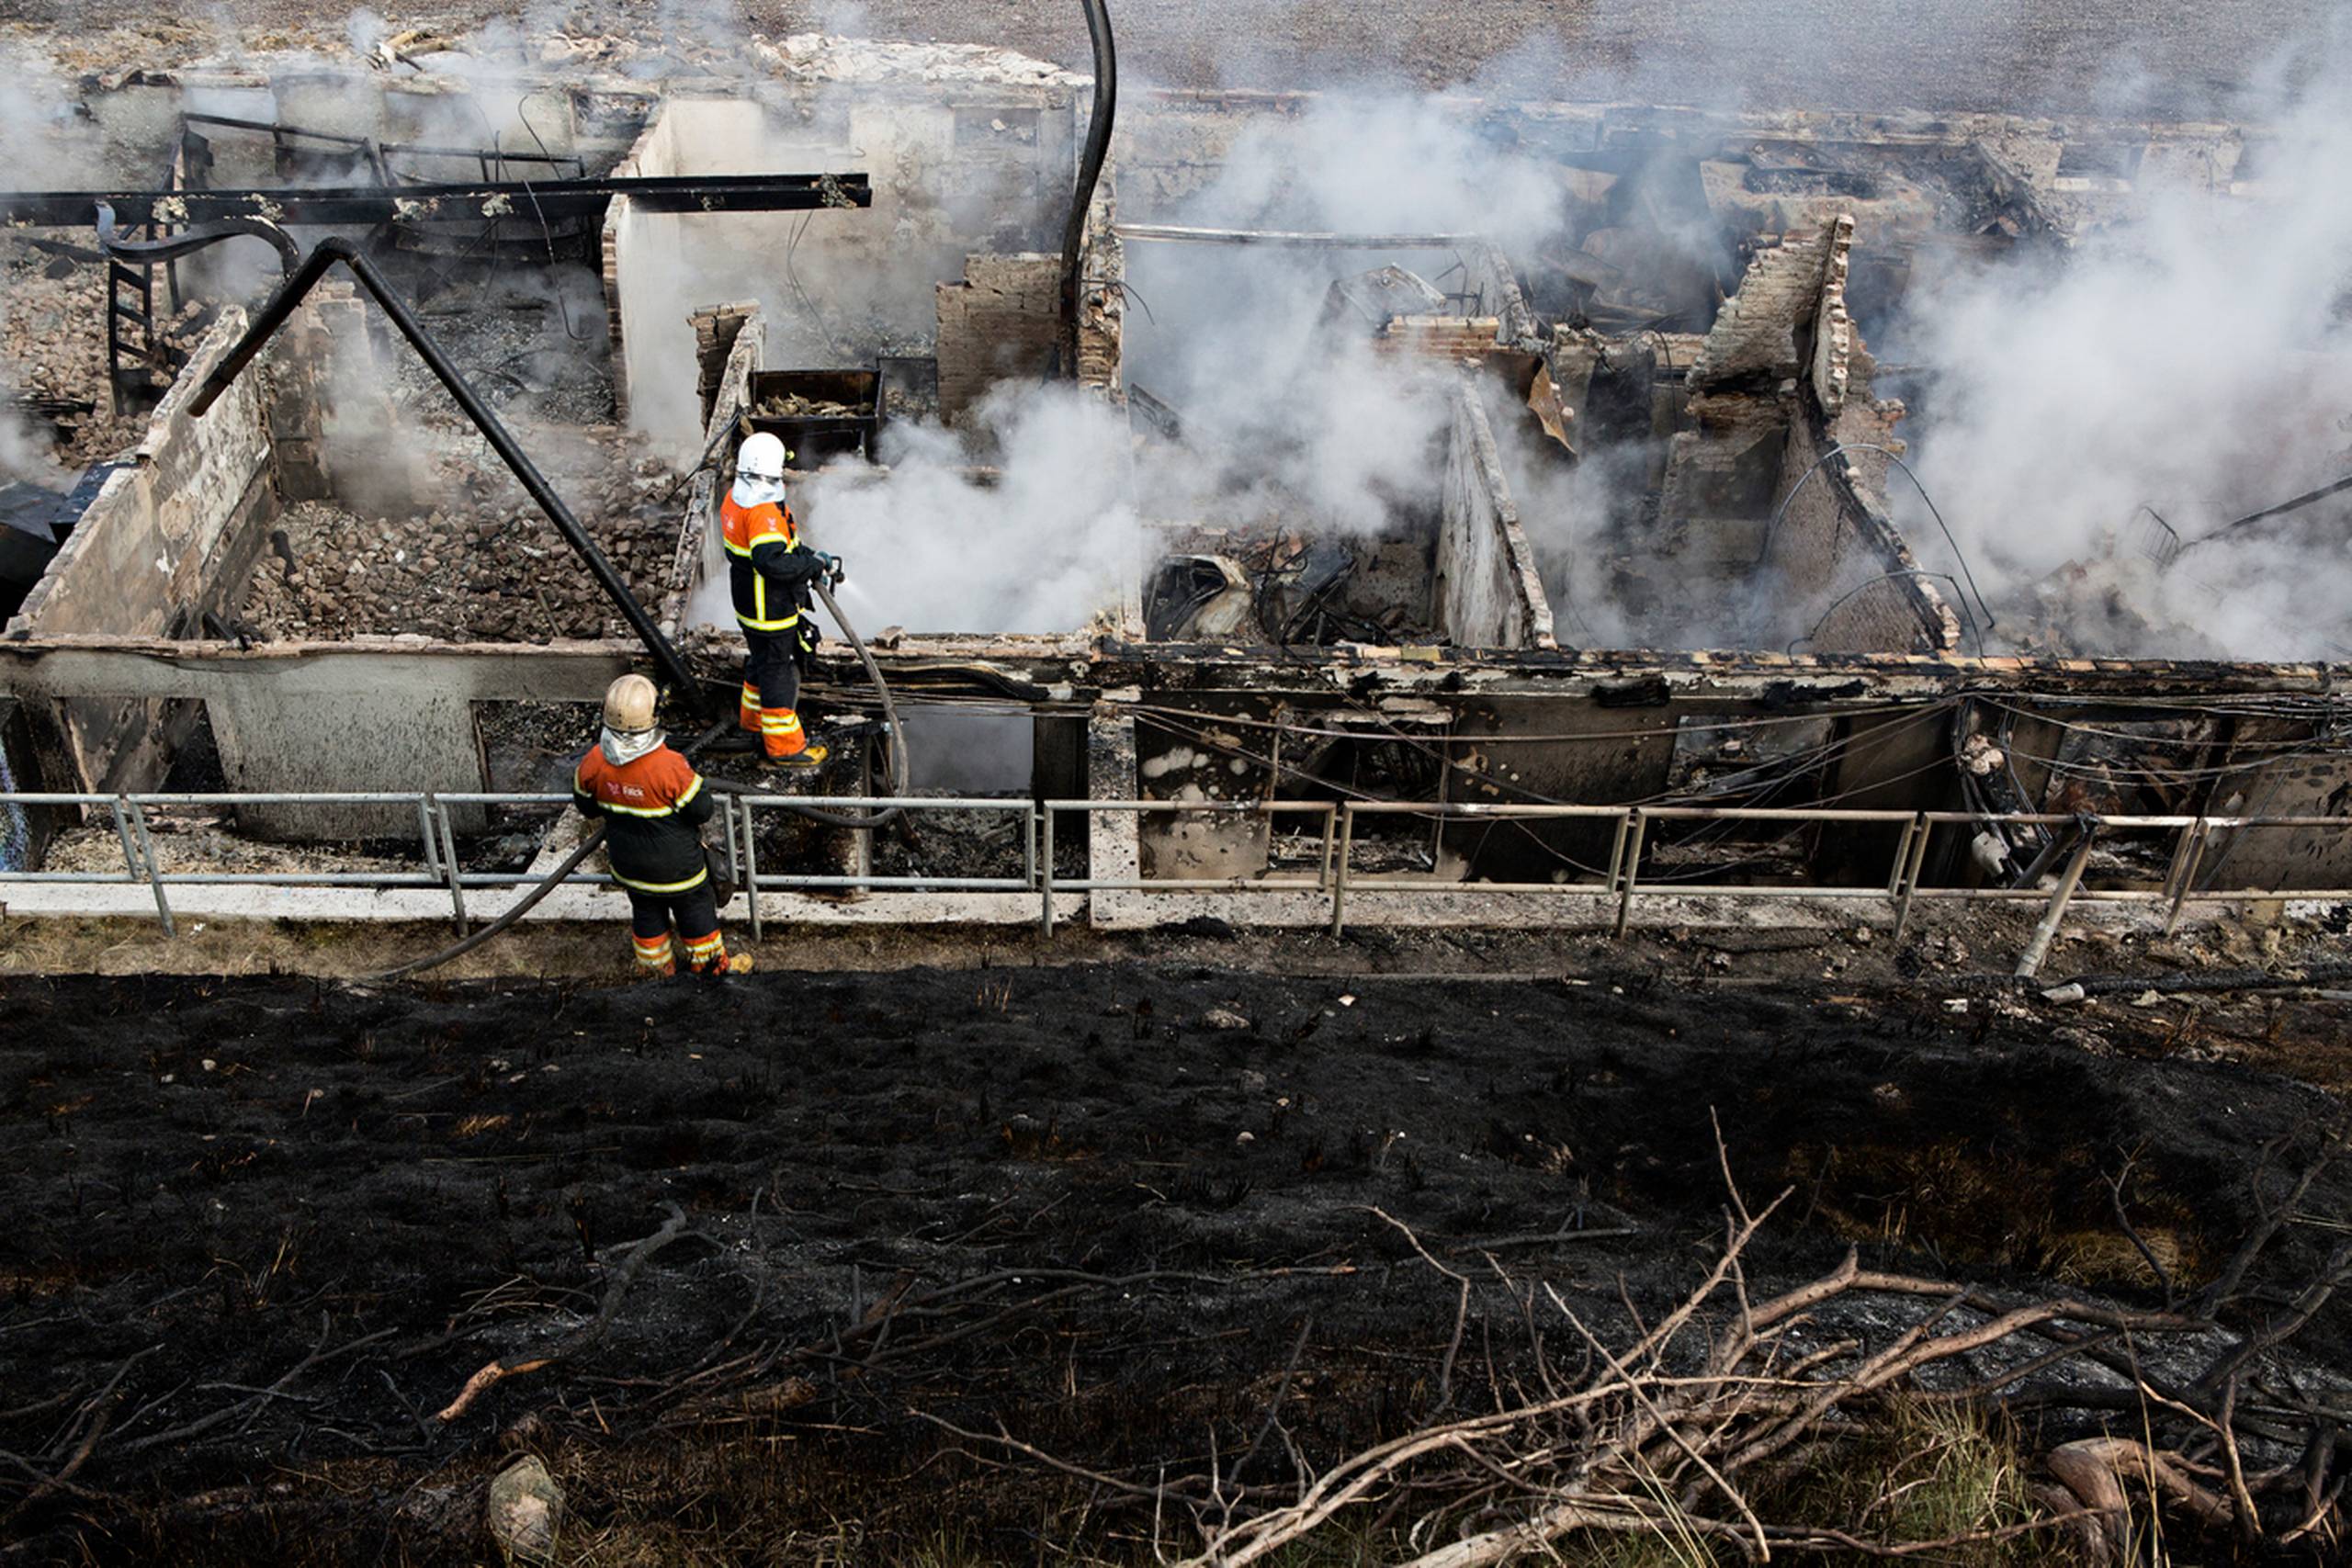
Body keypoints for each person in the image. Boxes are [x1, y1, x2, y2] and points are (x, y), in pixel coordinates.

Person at [571, 674, 749, 977]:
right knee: (696, 914)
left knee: (647, 914)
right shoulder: (668, 764)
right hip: (679, 870)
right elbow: (702, 810)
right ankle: (710, 971)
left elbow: (585, 806)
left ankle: (656, 973)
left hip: (630, 869)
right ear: (652, 716)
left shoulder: (594, 761)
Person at [719, 432, 839, 766]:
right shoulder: (761, 513)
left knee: (759, 663)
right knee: (778, 674)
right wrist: (812, 565)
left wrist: (808, 555)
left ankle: (752, 722)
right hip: (770, 610)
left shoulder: (735, 499)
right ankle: (784, 748)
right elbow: (772, 563)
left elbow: (778, 550)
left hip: (748, 607)